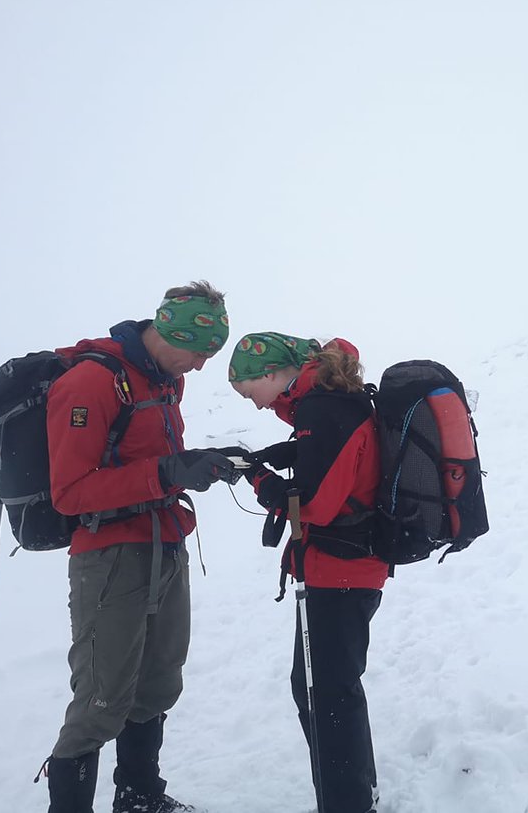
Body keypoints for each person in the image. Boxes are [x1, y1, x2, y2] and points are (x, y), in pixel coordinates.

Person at [43, 281, 242, 813]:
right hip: (109, 559)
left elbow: (150, 461)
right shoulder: (90, 383)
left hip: (165, 545)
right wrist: (167, 473)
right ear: (171, 332)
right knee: (100, 700)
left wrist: (198, 463)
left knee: (156, 685)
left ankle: (139, 797)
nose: (200, 366)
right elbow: (71, 492)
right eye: (199, 352)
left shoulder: (164, 380)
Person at [229, 331, 386, 813]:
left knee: (325, 695)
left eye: (248, 389)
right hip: (348, 566)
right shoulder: (329, 401)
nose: (253, 404)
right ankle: (360, 791)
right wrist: (281, 454)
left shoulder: (322, 408)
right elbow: (333, 460)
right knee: (327, 688)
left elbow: (314, 504)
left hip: (339, 570)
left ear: (272, 373)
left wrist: (260, 481)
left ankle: (348, 804)